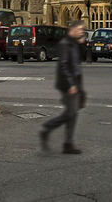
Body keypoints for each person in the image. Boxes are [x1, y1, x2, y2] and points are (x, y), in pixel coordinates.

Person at [40, 21, 86, 155]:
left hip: (76, 81)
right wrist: (71, 84)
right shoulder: (65, 44)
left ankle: (68, 143)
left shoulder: (75, 43)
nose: (82, 31)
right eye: (79, 29)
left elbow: (81, 59)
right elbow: (64, 65)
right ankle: (47, 128)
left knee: (73, 113)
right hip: (67, 83)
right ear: (72, 29)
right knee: (71, 113)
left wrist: (82, 43)